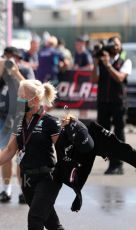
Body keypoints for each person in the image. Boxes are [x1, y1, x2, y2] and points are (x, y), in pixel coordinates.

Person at [0, 80, 64, 230]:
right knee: (51, 223)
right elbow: (9, 150)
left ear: (36, 100)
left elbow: (64, 151)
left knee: (34, 220)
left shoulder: (50, 122)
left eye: (22, 96)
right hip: (27, 181)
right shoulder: (19, 122)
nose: (18, 100)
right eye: (18, 96)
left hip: (47, 179)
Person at [55, 115, 136, 212]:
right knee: (63, 173)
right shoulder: (62, 142)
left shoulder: (92, 127)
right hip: (78, 149)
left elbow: (118, 146)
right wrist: (78, 195)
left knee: (121, 149)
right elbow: (64, 165)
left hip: (94, 135)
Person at [0, 47, 27, 204]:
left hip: (21, 118)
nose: (10, 61)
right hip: (4, 118)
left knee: (21, 157)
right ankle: (6, 191)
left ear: (18, 58)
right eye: (7, 57)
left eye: (13, 58)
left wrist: (16, 71)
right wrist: (0, 71)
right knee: (5, 154)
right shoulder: (1, 74)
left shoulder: (24, 70)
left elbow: (30, 87)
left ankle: (24, 191)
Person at [92, 36, 132, 175]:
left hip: (118, 102)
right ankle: (111, 164)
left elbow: (120, 78)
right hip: (103, 102)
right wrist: (96, 63)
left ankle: (119, 164)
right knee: (105, 134)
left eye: (117, 44)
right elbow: (93, 79)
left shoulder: (125, 61)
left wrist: (108, 65)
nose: (115, 46)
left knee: (119, 134)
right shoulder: (102, 62)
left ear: (120, 47)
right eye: (112, 44)